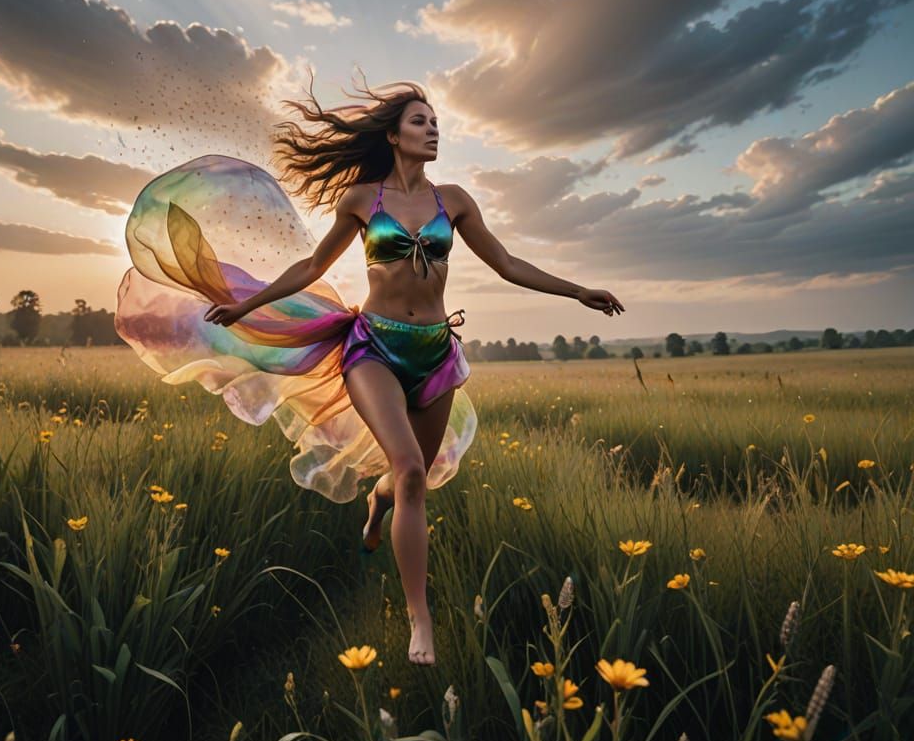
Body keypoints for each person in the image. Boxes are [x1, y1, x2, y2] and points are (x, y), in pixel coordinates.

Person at [116, 76, 623, 666]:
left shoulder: (454, 200)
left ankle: (378, 505)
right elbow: (312, 265)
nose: (432, 130)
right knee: (410, 469)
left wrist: (577, 290)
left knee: (408, 479)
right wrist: (247, 305)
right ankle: (420, 619)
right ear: (393, 136)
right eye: (419, 121)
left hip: (435, 352)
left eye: (436, 123)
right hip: (374, 347)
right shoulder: (362, 200)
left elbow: (507, 263)